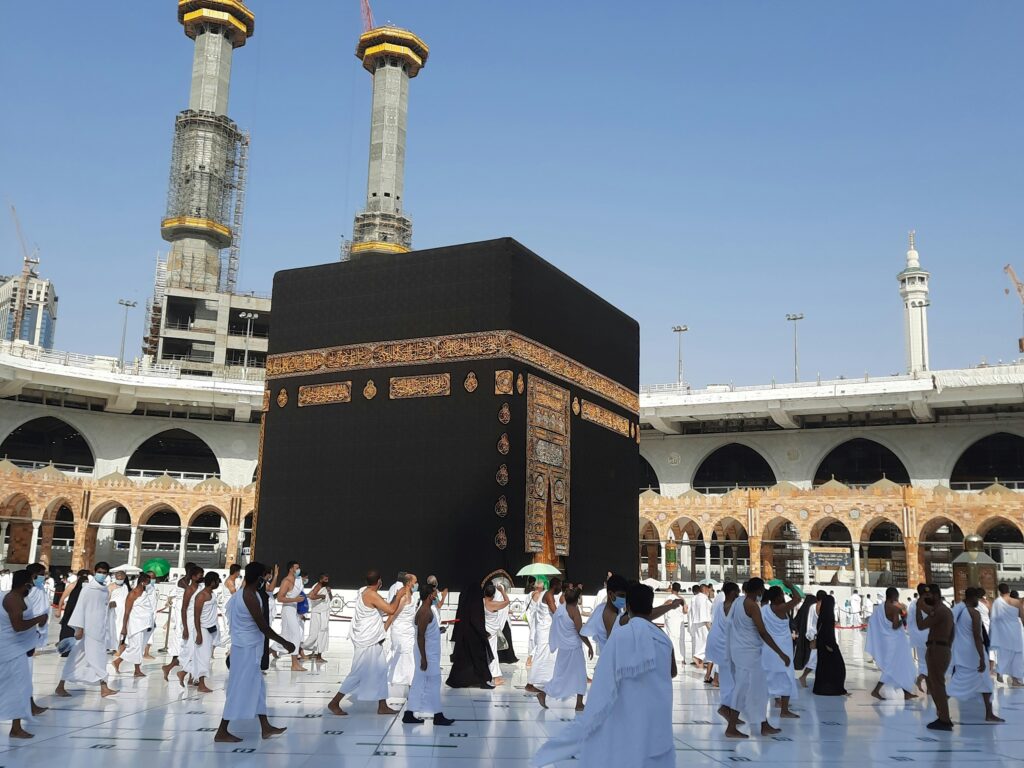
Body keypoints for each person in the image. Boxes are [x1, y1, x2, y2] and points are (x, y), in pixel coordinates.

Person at [533, 582, 676, 767]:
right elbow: (672, 672)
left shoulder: (620, 636)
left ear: (629, 607)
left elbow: (603, 681)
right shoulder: (663, 639)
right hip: (658, 721)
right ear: (650, 608)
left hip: (628, 718)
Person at [215, 562, 293, 742]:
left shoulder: (245, 594)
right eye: (263, 577)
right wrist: (285, 642)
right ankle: (221, 731)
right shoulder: (249, 596)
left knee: (258, 688)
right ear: (258, 578)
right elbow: (263, 626)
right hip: (245, 650)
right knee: (238, 688)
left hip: (248, 648)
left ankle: (265, 727)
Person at [328, 570, 406, 715]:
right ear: (379, 582)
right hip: (366, 642)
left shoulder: (363, 590)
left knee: (382, 671)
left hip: (372, 640)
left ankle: (382, 705)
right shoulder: (371, 594)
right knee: (356, 674)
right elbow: (390, 609)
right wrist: (399, 595)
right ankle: (334, 702)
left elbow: (382, 607)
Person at [726, 578, 789, 738]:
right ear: (759, 590)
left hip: (739, 652)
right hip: (749, 655)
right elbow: (762, 632)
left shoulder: (739, 601)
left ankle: (763, 724)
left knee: (756, 690)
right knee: (746, 690)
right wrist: (780, 653)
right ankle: (733, 727)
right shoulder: (752, 606)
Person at [55, 563, 117, 697]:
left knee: (78, 658)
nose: (102, 574)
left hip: (99, 630)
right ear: (95, 572)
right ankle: (104, 687)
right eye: (100, 571)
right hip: (87, 630)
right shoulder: (87, 589)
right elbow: (80, 608)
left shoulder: (105, 590)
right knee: (97, 658)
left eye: (104, 572)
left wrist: (110, 607)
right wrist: (79, 627)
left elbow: (101, 609)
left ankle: (61, 686)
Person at [1, 570, 49, 739]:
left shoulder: (20, 597)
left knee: (20, 689)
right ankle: (15, 728)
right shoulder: (13, 599)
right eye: (30, 583)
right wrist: (38, 619)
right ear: (24, 584)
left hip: (18, 650)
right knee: (17, 689)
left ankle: (16, 726)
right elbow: (18, 626)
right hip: (10, 652)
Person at [403, 582, 455, 726]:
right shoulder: (425, 612)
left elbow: (426, 632)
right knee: (434, 682)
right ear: (430, 595)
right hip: (426, 654)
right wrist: (424, 659)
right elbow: (420, 636)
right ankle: (437, 715)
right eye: (435, 593)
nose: (437, 595)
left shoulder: (427, 609)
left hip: (428, 653)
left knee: (419, 683)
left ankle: (409, 713)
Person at [948, 588, 1003, 723]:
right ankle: (989, 714)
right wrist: (982, 658)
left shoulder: (958, 611)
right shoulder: (974, 613)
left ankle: (941, 710)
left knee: (974, 684)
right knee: (985, 684)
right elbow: (977, 638)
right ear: (971, 597)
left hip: (961, 654)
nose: (978, 601)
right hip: (974, 654)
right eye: (977, 598)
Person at [538, 584, 593, 711]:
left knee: (560, 675)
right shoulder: (574, 610)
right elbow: (580, 631)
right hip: (574, 648)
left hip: (564, 648)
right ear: (577, 599)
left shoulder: (561, 610)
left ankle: (544, 693)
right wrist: (589, 645)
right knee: (580, 674)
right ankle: (579, 703)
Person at [915, 583, 954, 730]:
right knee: (932, 683)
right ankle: (942, 714)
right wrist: (921, 603)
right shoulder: (940, 610)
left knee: (937, 684)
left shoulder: (942, 611)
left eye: (928, 596)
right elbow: (928, 610)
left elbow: (921, 625)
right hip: (937, 647)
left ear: (936, 596)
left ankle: (944, 719)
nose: (926, 599)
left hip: (938, 649)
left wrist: (918, 608)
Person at [867, 587, 918, 701]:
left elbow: (874, 622)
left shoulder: (881, 607)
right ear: (895, 597)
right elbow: (895, 626)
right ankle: (876, 690)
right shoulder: (894, 608)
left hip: (887, 641)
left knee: (898, 666)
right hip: (896, 641)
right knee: (893, 667)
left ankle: (906, 692)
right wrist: (904, 619)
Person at [761, 583, 803, 719]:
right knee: (786, 677)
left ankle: (768, 706)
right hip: (782, 649)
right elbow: (797, 598)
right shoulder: (780, 608)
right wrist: (789, 585)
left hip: (768, 648)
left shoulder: (764, 608)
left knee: (769, 677)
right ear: (778, 596)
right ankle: (784, 710)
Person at [446, 583, 494, 689]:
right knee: (479, 658)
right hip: (474, 635)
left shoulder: (464, 598)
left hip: (464, 633)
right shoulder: (476, 600)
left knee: (464, 658)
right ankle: (483, 681)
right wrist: (482, 632)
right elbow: (476, 618)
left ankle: (455, 680)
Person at [705, 581, 740, 725]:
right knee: (733, 679)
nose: (739, 594)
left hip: (718, 642)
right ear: (732, 593)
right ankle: (726, 708)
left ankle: (729, 710)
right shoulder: (733, 607)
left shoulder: (720, 605)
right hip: (723, 645)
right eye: (737, 592)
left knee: (729, 677)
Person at [526, 578, 563, 693]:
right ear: (555, 585)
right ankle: (530, 683)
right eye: (559, 586)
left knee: (550, 655)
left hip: (547, 631)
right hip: (545, 632)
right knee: (540, 655)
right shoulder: (549, 595)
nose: (560, 588)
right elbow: (556, 613)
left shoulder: (545, 594)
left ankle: (549, 680)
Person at [116, 571, 155, 677]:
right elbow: (127, 612)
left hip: (145, 624)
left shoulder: (145, 593)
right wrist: (124, 627)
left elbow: (148, 609)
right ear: (143, 582)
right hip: (135, 625)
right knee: (136, 647)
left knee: (139, 647)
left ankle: (124, 665)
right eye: (148, 582)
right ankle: (132, 668)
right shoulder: (133, 594)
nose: (149, 585)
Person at [23, 562, 50, 716]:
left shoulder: (40, 589)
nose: (43, 576)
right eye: (41, 573)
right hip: (28, 633)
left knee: (27, 672)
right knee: (25, 672)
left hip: (35, 634)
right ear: (33, 575)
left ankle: (29, 703)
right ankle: (28, 704)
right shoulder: (28, 591)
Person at [161, 563, 196, 680]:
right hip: (182, 610)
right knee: (182, 637)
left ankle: (189, 674)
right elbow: (190, 591)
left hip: (191, 610)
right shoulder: (183, 581)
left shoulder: (192, 582)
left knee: (191, 641)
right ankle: (176, 666)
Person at [387, 573, 418, 694]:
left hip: (409, 631)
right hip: (399, 631)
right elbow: (393, 614)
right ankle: (397, 678)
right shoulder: (403, 597)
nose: (416, 584)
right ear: (409, 583)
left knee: (409, 655)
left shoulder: (413, 597)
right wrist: (383, 630)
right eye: (415, 582)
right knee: (401, 654)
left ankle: (409, 680)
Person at [581, 573, 628, 654]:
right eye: (621, 595)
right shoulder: (610, 615)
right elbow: (613, 648)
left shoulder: (602, 608)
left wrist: (590, 647)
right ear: (610, 594)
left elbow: (583, 632)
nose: (624, 599)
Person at [192, 571, 222, 693]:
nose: (218, 583)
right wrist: (199, 633)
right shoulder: (201, 596)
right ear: (212, 582)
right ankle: (201, 684)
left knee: (205, 655)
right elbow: (196, 616)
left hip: (212, 628)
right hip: (203, 629)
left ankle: (185, 675)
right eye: (217, 580)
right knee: (203, 657)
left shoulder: (212, 594)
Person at [812, 595, 848, 696]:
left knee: (824, 667)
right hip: (828, 645)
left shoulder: (823, 615)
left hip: (822, 644)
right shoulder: (828, 616)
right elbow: (827, 632)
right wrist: (830, 646)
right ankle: (832, 689)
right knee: (838, 667)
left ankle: (823, 688)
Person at [989, 583, 1024, 686]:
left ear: (999, 591)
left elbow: (994, 618)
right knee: (1017, 654)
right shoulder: (1016, 602)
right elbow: (1022, 616)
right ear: (1008, 590)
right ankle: (1015, 679)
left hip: (1003, 631)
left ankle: (1000, 672)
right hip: (1015, 630)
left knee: (1003, 653)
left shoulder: (997, 602)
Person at [177, 565, 205, 688]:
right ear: (193, 577)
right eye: (199, 575)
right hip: (189, 620)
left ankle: (192, 677)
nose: (201, 577)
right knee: (191, 649)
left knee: (197, 650)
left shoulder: (200, 588)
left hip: (199, 620)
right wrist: (185, 628)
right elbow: (183, 609)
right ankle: (183, 673)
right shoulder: (189, 589)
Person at [275, 561, 306, 672]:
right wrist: (294, 600)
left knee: (287, 636)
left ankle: (272, 650)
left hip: (294, 609)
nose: (298, 570)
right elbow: (279, 598)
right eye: (296, 568)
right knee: (295, 635)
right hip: (288, 610)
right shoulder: (286, 581)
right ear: (291, 569)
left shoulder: (297, 580)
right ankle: (294, 663)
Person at [483, 581, 511, 686]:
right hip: (492, 632)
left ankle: (490, 675)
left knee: (486, 653)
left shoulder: (482, 602)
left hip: (484, 630)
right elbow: (507, 601)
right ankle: (496, 677)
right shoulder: (493, 604)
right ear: (494, 595)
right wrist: (502, 591)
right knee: (493, 653)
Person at [302, 573, 332, 662]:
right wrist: (321, 596)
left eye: (327, 579)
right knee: (314, 634)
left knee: (323, 634)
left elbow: (330, 598)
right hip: (318, 613)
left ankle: (318, 655)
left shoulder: (326, 587)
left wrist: (329, 592)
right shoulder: (318, 586)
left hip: (324, 613)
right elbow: (311, 596)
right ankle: (300, 649)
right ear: (321, 580)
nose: (327, 581)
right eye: (325, 579)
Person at [906, 584, 930, 691]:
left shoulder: (913, 604)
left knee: (923, 661)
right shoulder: (927, 603)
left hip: (919, 636)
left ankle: (921, 680)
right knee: (930, 662)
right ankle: (926, 684)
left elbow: (909, 621)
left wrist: (913, 635)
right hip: (928, 635)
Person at [58, 569, 89, 648]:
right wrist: (58, 610)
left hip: (82, 613)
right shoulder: (72, 586)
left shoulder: (88, 587)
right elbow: (62, 598)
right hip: (70, 611)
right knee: (67, 630)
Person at [794, 593, 819, 688]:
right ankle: (804, 676)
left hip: (805, 637)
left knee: (811, 658)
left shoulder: (804, 608)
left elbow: (795, 621)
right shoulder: (812, 608)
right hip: (812, 637)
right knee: (813, 659)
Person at [662, 582, 687, 664]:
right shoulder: (682, 599)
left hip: (671, 621)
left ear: (672, 588)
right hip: (679, 622)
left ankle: (674, 658)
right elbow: (685, 611)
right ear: (679, 589)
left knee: (672, 639)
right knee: (680, 639)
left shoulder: (669, 597)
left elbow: (663, 607)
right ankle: (682, 658)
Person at [106, 570, 129, 654]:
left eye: (121, 576)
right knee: (113, 628)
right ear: (115, 577)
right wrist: (109, 604)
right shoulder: (110, 586)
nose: (120, 578)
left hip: (123, 611)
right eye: (118, 576)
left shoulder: (126, 586)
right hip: (113, 611)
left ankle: (119, 646)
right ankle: (112, 646)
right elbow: (106, 599)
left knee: (121, 628)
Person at [691, 583, 713, 669]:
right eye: (708, 590)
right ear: (704, 589)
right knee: (708, 642)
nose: (709, 591)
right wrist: (709, 626)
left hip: (697, 622)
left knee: (700, 642)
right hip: (703, 623)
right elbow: (704, 613)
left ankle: (700, 660)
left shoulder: (697, 598)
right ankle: (698, 656)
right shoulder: (703, 599)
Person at [525, 578, 545, 667]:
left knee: (533, 637)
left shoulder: (530, 594)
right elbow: (539, 607)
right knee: (536, 638)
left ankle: (531, 658)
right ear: (540, 587)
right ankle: (530, 658)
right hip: (536, 619)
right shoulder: (538, 595)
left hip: (531, 618)